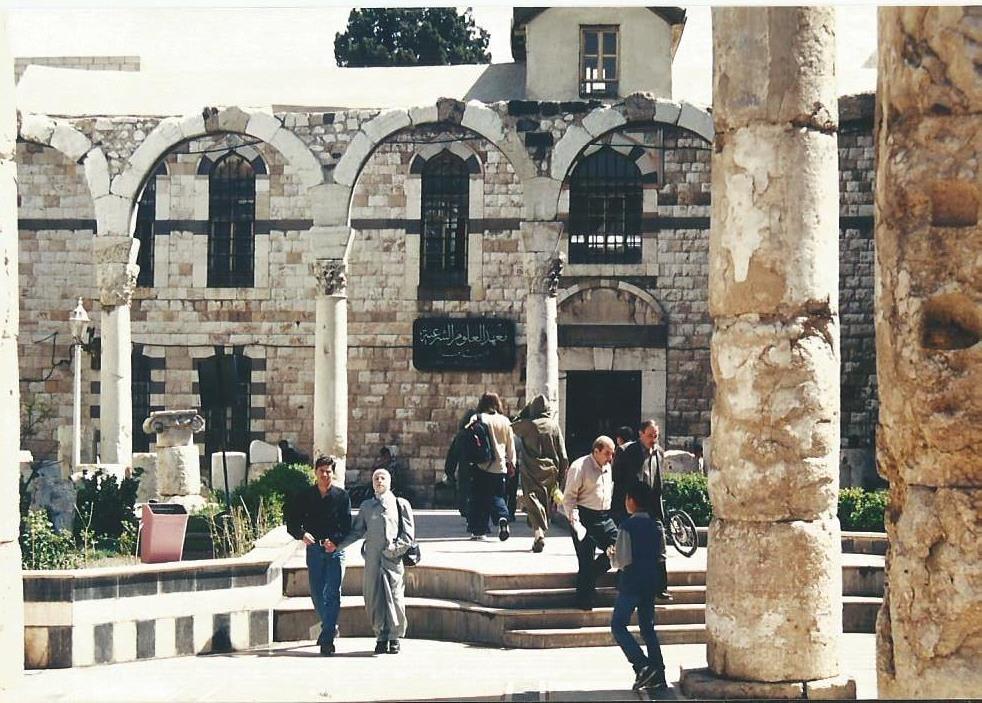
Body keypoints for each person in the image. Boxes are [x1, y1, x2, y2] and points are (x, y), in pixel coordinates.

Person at [337, 468, 415, 655]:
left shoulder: (400, 504)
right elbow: (357, 531)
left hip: (392, 560)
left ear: (389, 482)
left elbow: (408, 534)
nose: (379, 481)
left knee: (394, 597)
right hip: (372, 559)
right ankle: (380, 635)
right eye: (375, 478)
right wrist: (338, 546)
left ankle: (394, 637)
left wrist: (395, 549)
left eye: (382, 478)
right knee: (373, 596)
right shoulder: (366, 507)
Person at [285, 455, 351, 656]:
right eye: (321, 471)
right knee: (316, 593)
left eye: (328, 471)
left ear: (333, 473)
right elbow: (292, 522)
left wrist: (336, 541)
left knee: (333, 593)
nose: (325, 475)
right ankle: (329, 625)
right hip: (314, 550)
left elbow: (346, 525)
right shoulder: (305, 496)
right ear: (315, 472)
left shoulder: (342, 497)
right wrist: (302, 534)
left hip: (334, 551)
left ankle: (327, 638)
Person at [610, 481, 669, 691]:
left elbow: (622, 561)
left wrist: (611, 556)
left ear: (632, 501)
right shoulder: (657, 525)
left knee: (618, 625)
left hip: (631, 582)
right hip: (650, 581)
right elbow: (661, 555)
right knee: (647, 628)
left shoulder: (626, 526)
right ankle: (659, 672)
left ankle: (641, 664)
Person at [611, 419, 670, 600]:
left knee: (658, 548)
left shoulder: (659, 452)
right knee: (630, 548)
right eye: (650, 435)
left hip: (651, 506)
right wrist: (625, 506)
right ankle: (623, 581)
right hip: (632, 505)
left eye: (656, 436)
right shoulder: (627, 451)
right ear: (640, 434)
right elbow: (618, 479)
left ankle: (661, 586)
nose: (653, 439)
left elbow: (658, 480)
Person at [562, 435, 617, 610]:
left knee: (622, 546)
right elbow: (569, 498)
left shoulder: (608, 467)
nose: (610, 458)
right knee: (585, 558)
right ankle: (584, 598)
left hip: (604, 517)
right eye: (607, 453)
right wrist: (575, 522)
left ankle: (589, 576)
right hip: (583, 516)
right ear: (596, 451)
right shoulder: (579, 467)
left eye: (612, 453)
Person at [511, 394, 569, 553]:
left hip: (531, 469)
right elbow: (563, 454)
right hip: (550, 470)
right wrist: (562, 475)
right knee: (544, 503)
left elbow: (512, 426)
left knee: (532, 500)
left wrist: (525, 412)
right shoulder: (553, 426)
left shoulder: (528, 425)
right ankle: (539, 532)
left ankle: (538, 533)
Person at [468, 392, 516, 542]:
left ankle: (479, 531)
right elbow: (511, 445)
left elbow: (467, 438)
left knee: (479, 498)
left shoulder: (476, 418)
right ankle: (502, 517)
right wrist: (512, 463)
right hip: (500, 466)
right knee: (498, 496)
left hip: (481, 465)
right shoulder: (505, 421)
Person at [443, 408, 478, 520]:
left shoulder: (461, 435)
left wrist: (449, 471)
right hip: (479, 467)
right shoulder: (481, 433)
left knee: (465, 491)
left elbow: (453, 454)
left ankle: (467, 513)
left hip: (464, 468)